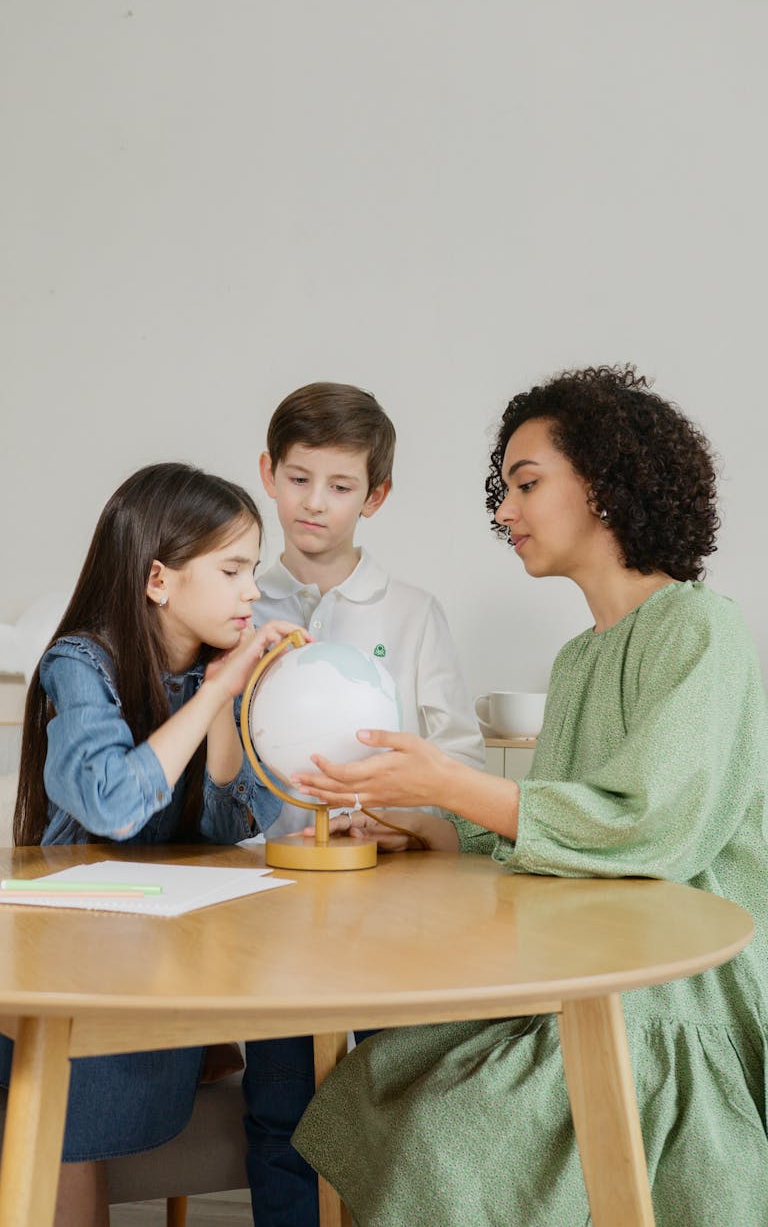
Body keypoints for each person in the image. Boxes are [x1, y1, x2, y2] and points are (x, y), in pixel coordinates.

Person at [291, 366, 768, 1227]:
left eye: (527, 483)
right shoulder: (580, 659)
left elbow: (653, 828)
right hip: (583, 964)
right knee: (378, 1073)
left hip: (671, 986)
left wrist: (450, 782)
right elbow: (555, 823)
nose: (504, 511)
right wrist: (429, 825)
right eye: (503, 489)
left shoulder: (703, 630)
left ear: (607, 485)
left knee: (448, 1133)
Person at [3, 462, 306, 1227]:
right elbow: (112, 803)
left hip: (155, 949)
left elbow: (232, 824)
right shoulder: (82, 663)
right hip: (68, 959)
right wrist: (213, 694)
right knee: (71, 1116)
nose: (251, 591)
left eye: (253, 571)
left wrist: (236, 705)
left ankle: (205, 1047)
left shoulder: (212, 671)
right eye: (233, 569)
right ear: (159, 580)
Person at [243, 381, 486, 1226]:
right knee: (281, 1104)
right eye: (300, 477)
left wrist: (399, 820)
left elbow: (454, 761)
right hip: (270, 906)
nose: (316, 503)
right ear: (268, 473)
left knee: (393, 1094)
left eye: (341, 486)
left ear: (375, 495)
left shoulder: (414, 614)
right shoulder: (235, 605)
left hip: (391, 909)